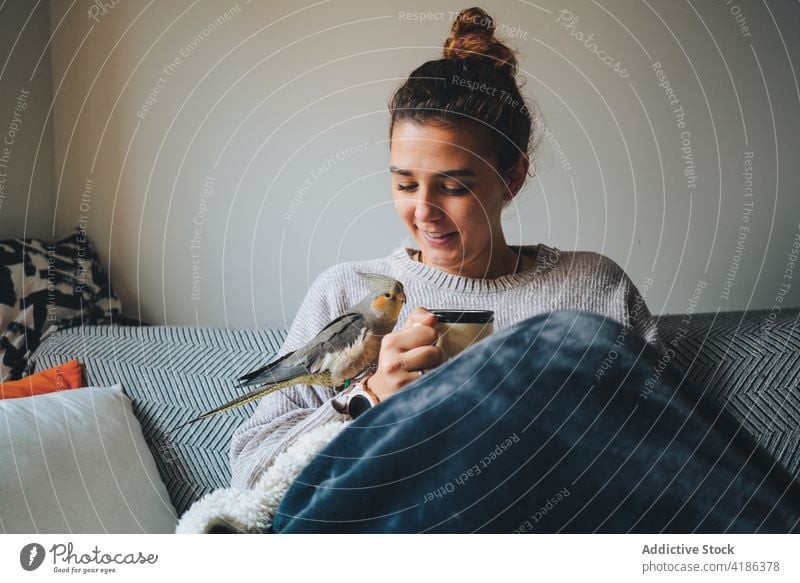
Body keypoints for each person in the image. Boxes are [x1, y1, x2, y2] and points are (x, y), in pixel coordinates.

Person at [228, 7, 800, 533]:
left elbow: (658, 445)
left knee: (572, 338)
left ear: (513, 178)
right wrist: (367, 399)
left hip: (542, 522)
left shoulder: (591, 286)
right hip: (385, 525)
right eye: (404, 183)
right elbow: (253, 472)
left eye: (452, 186)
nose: (422, 211)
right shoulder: (349, 292)